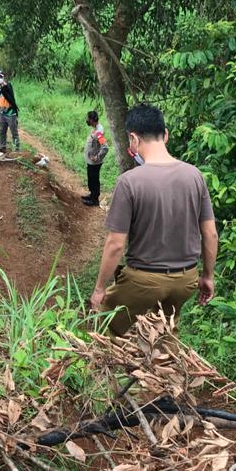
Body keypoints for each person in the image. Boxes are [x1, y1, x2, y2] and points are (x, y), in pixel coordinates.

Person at [89, 103, 218, 336]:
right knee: (163, 332)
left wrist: (99, 289)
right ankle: (165, 363)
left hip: (144, 280)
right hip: (186, 279)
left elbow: (116, 244)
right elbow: (210, 233)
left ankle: (109, 365)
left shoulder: (129, 182)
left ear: (133, 139)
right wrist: (207, 276)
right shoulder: (194, 176)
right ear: (165, 135)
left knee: (103, 324)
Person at [82, 110, 109, 207]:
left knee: (94, 180)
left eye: (88, 119)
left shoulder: (98, 132)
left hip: (95, 162)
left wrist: (97, 157)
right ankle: (92, 195)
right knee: (91, 179)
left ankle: (94, 200)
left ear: (92, 120)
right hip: (91, 161)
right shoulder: (96, 128)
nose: (87, 120)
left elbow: (105, 147)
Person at [0, 71, 21, 153]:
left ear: (4, 78)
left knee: (14, 132)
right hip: (2, 113)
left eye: (0, 77)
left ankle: (16, 149)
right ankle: (2, 146)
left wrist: (4, 84)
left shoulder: (8, 86)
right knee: (2, 131)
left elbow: (7, 91)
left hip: (10, 113)